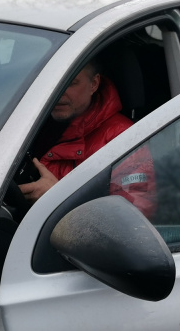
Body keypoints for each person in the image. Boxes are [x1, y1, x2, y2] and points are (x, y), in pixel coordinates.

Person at [18, 60, 155, 216]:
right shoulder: (26, 122)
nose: (58, 92)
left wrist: (58, 200)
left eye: (70, 83)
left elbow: (136, 216)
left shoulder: (124, 138)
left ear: (94, 84)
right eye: (52, 83)